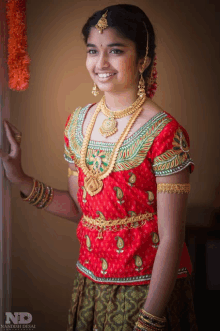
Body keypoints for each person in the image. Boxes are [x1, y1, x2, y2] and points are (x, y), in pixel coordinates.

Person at [0, 4, 198, 331]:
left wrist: (149, 319)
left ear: (144, 58)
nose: (100, 63)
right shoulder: (78, 124)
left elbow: (172, 238)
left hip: (146, 289)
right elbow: (82, 209)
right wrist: (21, 180)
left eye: (115, 50)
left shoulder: (166, 134)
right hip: (90, 283)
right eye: (93, 51)